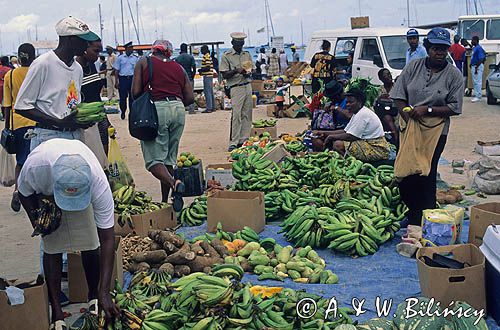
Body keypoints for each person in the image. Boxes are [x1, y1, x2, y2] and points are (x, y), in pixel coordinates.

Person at [18, 139, 120, 330]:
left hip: (80, 183)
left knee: (91, 242)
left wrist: (104, 290)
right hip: (47, 196)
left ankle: (94, 297)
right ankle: (56, 311)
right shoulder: (37, 167)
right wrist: (38, 220)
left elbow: (107, 239)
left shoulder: (98, 182)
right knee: (52, 246)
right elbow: (23, 193)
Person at [390, 27, 463, 226]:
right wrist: (406, 111)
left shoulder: (453, 75)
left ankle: (425, 217)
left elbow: (455, 107)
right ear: (428, 48)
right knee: (406, 173)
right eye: (435, 48)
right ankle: (414, 211)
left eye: (443, 49)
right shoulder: (413, 67)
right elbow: (398, 95)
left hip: (436, 130)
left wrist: (428, 110)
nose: (439, 53)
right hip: (411, 125)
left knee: (427, 173)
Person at [15, 16, 100, 152]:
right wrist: (58, 122)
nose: (87, 45)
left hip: (75, 136)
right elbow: (22, 106)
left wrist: (82, 119)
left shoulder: (77, 68)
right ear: (70, 39)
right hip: (48, 137)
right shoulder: (43, 64)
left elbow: (71, 104)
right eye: (84, 41)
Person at [131, 40, 194, 210]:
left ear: (153, 50)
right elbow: (190, 98)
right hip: (178, 109)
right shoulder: (178, 67)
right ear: (169, 52)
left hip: (157, 109)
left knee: (153, 161)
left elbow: (135, 92)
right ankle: (166, 201)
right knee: (168, 160)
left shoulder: (144, 62)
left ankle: (175, 183)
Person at [2, 43, 37, 212]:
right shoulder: (37, 73)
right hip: (38, 122)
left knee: (21, 161)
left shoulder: (10, 76)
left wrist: (7, 126)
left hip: (18, 123)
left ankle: (18, 190)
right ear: (34, 56)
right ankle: (35, 192)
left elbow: (7, 105)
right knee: (36, 159)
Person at [323, 88, 390, 162]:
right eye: (347, 102)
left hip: (376, 148)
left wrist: (331, 137)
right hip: (367, 143)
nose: (348, 105)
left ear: (359, 102)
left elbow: (351, 136)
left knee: (338, 145)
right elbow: (345, 131)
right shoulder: (357, 113)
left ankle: (348, 163)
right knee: (337, 142)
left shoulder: (362, 114)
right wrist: (324, 133)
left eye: (351, 102)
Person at [77, 39, 112, 156]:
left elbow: (95, 95)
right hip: (85, 121)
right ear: (84, 49)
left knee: (103, 154)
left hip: (99, 117)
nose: (98, 56)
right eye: (96, 51)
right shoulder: (74, 70)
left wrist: (106, 120)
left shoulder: (91, 66)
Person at [220, 32, 254, 151]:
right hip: (236, 87)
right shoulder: (226, 56)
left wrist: (248, 72)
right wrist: (236, 71)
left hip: (247, 84)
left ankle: (243, 139)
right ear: (233, 43)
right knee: (236, 115)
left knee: (247, 114)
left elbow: (252, 69)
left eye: (242, 44)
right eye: (238, 44)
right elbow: (224, 74)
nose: (240, 46)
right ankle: (233, 142)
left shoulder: (247, 54)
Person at [113, 41, 138, 119]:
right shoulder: (120, 58)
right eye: (130, 48)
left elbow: (137, 71)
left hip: (132, 79)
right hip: (123, 79)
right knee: (122, 98)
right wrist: (116, 81)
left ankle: (132, 113)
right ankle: (123, 111)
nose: (132, 50)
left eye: (132, 48)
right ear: (126, 49)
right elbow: (116, 70)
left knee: (132, 98)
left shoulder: (135, 58)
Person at [374, 68, 399, 147]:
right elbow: (374, 104)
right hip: (384, 112)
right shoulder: (379, 90)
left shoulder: (397, 86)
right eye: (385, 75)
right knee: (387, 118)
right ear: (381, 79)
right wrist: (379, 98)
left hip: (397, 110)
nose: (389, 76)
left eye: (389, 74)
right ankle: (396, 138)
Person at [175, 43, 196, 114]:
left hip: (181, 79)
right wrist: (192, 76)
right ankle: (191, 110)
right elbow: (194, 68)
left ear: (180, 49)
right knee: (191, 93)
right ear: (186, 48)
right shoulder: (190, 57)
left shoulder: (178, 58)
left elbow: (176, 69)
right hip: (189, 78)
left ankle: (182, 109)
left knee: (181, 94)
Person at [470, 35, 486, 102]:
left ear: (476, 41)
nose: (471, 41)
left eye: (472, 40)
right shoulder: (475, 48)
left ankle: (478, 96)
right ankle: (477, 95)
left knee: (477, 82)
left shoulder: (478, 48)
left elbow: (481, 58)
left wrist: (476, 67)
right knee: (475, 81)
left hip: (477, 66)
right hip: (474, 66)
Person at [200, 45, 215, 113]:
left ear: (204, 50)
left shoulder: (206, 56)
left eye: (201, 50)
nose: (201, 51)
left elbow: (208, 67)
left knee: (207, 92)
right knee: (210, 91)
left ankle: (209, 108)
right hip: (209, 75)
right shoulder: (208, 56)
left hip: (207, 75)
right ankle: (212, 107)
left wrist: (201, 70)